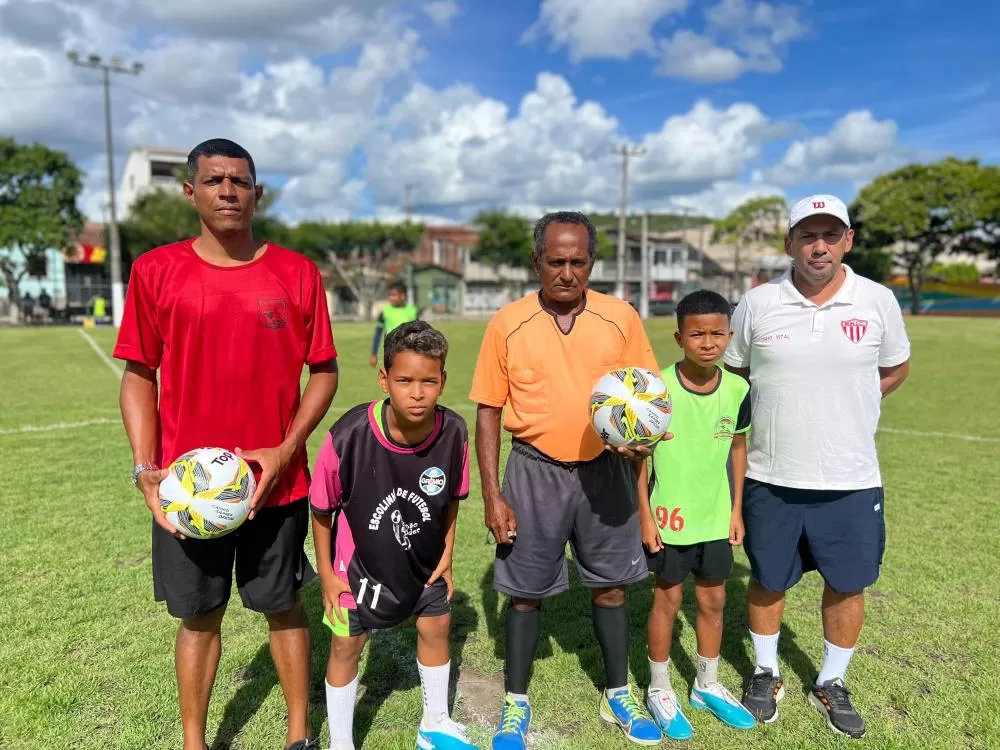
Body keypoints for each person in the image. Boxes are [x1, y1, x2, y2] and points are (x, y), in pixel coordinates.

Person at [114, 138, 338, 750]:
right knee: (199, 616)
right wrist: (146, 472)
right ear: (191, 193)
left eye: (240, 181)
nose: (228, 191)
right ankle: (194, 742)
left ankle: (299, 735)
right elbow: (138, 375)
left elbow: (324, 371)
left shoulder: (297, 272)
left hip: (277, 484)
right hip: (189, 490)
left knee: (283, 606)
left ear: (257, 193)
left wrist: (286, 450)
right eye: (214, 181)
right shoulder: (156, 271)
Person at [469, 211, 666, 749]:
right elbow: (488, 410)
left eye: (578, 261)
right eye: (555, 261)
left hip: (606, 471)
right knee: (525, 594)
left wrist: (640, 441)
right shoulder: (507, 322)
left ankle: (617, 691)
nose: (566, 272)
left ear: (592, 262)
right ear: (536, 261)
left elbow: (644, 393)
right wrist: (493, 494)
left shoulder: (620, 317)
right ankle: (515, 703)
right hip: (533, 471)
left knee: (610, 586)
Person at [724, 194, 911, 739]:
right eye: (808, 235)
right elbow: (733, 378)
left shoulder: (878, 301)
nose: (819, 245)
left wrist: (854, 401)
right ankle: (765, 671)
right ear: (790, 244)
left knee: (848, 584)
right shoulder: (757, 304)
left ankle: (831, 680)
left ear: (848, 241)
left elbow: (895, 368)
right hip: (770, 475)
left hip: (851, 479)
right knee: (767, 579)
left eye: (831, 234)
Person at [311, 321, 477, 750]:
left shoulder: (455, 431)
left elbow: (453, 498)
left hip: (424, 560)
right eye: (404, 380)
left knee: (437, 625)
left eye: (428, 381)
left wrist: (448, 554)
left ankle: (435, 722)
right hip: (357, 567)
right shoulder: (348, 436)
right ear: (384, 379)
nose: (417, 393)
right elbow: (322, 509)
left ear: (443, 380)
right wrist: (327, 573)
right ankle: (341, 742)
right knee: (347, 645)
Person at [640, 289, 757, 741]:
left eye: (717, 334)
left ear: (729, 336)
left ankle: (706, 684)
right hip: (668, 519)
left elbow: (739, 449)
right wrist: (645, 517)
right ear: (679, 337)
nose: (708, 343)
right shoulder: (657, 389)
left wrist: (736, 509)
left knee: (713, 602)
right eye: (697, 334)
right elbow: (639, 459)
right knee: (667, 601)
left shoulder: (739, 389)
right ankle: (660, 687)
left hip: (714, 517)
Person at [369, 281, 420, 367]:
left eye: (393, 295)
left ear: (403, 296)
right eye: (389, 295)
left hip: (409, 351)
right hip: (390, 351)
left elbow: (419, 333)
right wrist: (374, 353)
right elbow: (378, 333)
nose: (390, 298)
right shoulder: (385, 312)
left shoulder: (412, 311)